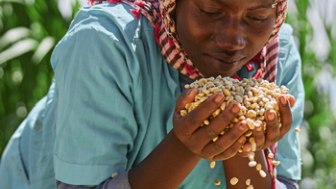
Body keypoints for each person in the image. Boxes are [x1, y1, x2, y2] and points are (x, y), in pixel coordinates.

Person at [0, 0, 304, 188]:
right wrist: (185, 146)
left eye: (256, 17)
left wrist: (243, 142)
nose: (233, 39)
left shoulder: (275, 55)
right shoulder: (106, 44)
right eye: (211, 11)